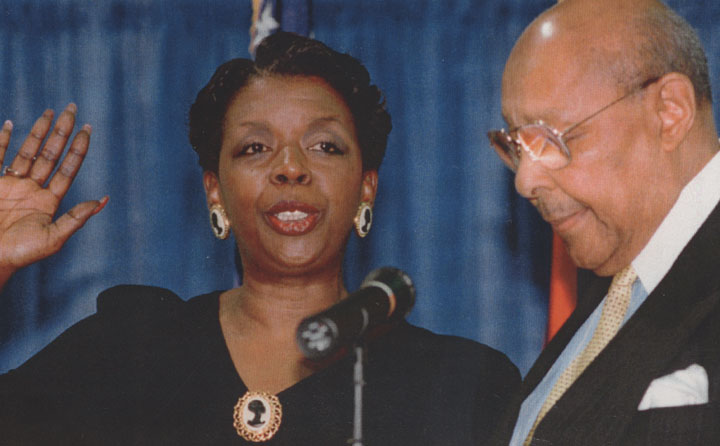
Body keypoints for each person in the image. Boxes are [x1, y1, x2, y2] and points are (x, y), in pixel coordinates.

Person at [0, 32, 519, 445]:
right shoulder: (126, 352)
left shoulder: (461, 386)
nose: (290, 168)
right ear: (214, 192)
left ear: (366, 186)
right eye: (254, 148)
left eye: (324, 146)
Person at [485, 0, 720, 444]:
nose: (525, 180)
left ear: (669, 112)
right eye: (515, 146)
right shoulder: (615, 291)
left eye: (550, 138)